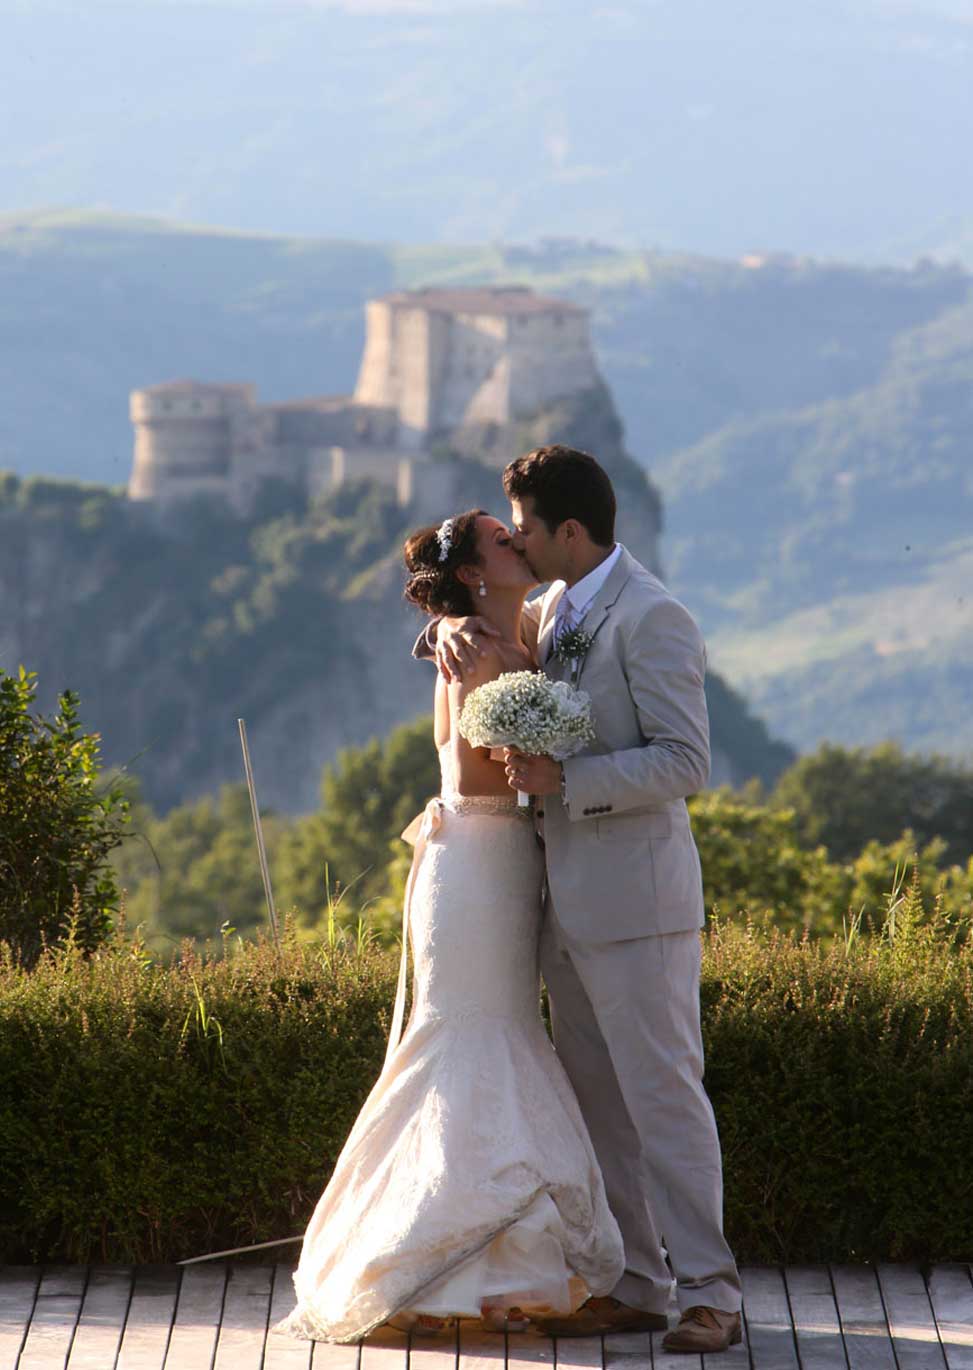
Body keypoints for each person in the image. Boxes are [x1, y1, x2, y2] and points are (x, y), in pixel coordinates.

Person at [274, 507, 625, 1345]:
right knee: (472, 1035)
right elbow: (490, 770)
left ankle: (505, 1263)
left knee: (505, 1032)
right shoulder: (471, 647)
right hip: (473, 862)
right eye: (502, 540)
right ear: (471, 572)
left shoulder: (521, 628)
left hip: (513, 865)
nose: (520, 543)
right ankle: (445, 1263)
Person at [423, 446, 743, 1355]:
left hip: (637, 902)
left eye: (521, 525)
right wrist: (446, 628)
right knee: (601, 1104)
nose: (515, 539)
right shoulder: (553, 605)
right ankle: (641, 1283)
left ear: (569, 530)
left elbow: (686, 763)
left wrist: (572, 778)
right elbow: (478, 625)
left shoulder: (654, 616)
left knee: (665, 1100)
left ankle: (711, 1293)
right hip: (559, 899)